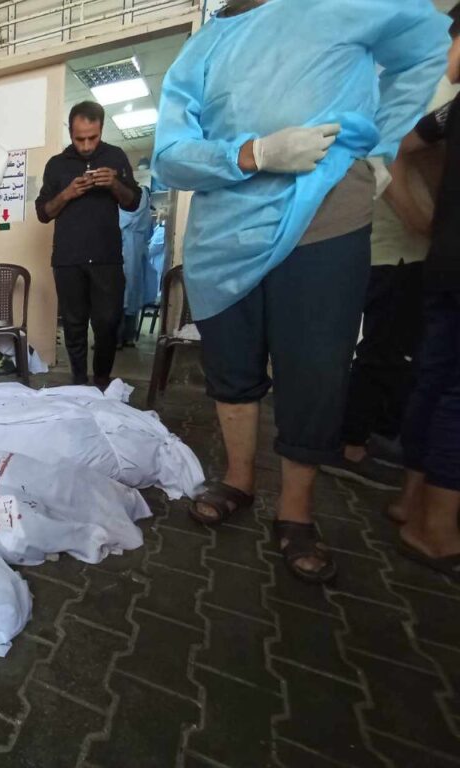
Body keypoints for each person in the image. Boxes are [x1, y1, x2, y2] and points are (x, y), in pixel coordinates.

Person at [152, 0, 449, 584]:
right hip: (225, 233)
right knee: (231, 364)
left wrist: (381, 143)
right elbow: (168, 156)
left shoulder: (338, 7)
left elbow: (423, 48)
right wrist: (252, 153)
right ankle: (238, 479)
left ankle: (296, 512)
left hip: (324, 218)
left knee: (315, 370)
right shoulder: (200, 49)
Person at [388, 4, 460, 580]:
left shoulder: (447, 111)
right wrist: (428, 220)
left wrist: (435, 223)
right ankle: (435, 528)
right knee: (452, 389)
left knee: (436, 378)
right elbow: (399, 153)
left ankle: (413, 502)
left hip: (445, 262)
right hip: (448, 260)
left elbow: (405, 150)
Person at [319, 176, 430, 490]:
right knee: (383, 351)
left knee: (391, 351)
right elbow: (396, 176)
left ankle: (369, 441)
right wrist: (435, 228)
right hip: (397, 254)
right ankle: (349, 448)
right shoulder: (403, 147)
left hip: (404, 254)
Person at [36, 101, 142, 389]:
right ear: (70, 132)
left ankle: (102, 380)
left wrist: (114, 184)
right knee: (73, 324)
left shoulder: (115, 156)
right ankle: (79, 382)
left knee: (108, 323)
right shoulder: (56, 165)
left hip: (107, 256)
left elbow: (133, 203)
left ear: (101, 130)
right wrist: (67, 193)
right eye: (79, 138)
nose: (85, 145)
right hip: (68, 258)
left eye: (92, 138)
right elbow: (43, 213)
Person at [120, 188, 154, 347]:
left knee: (122, 294)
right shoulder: (143, 198)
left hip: (124, 248)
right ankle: (128, 336)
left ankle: (118, 337)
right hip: (137, 249)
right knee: (132, 293)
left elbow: (121, 220)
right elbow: (149, 230)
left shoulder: (135, 196)